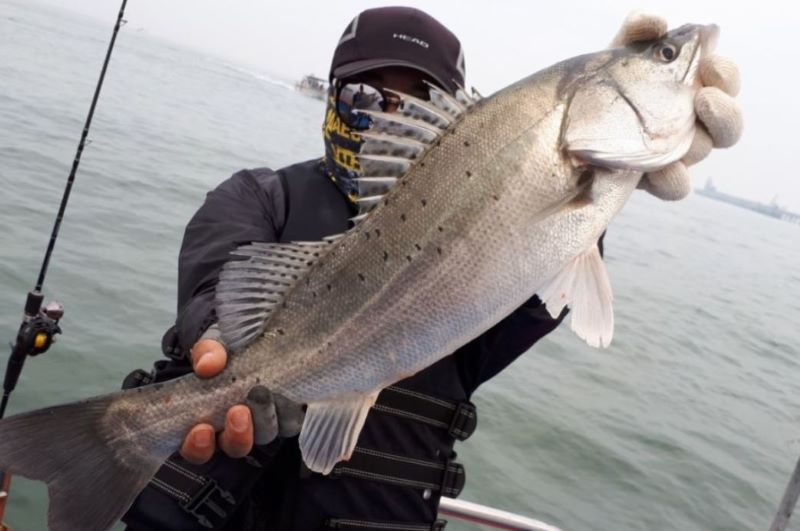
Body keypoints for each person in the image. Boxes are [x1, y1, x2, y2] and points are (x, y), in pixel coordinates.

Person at [122, 7, 742, 531]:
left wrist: (602, 197)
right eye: (366, 96)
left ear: (459, 121)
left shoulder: (530, 214)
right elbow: (216, 281)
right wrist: (216, 342)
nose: (387, 114)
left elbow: (534, 295)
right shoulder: (260, 198)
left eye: (416, 100)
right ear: (334, 95)